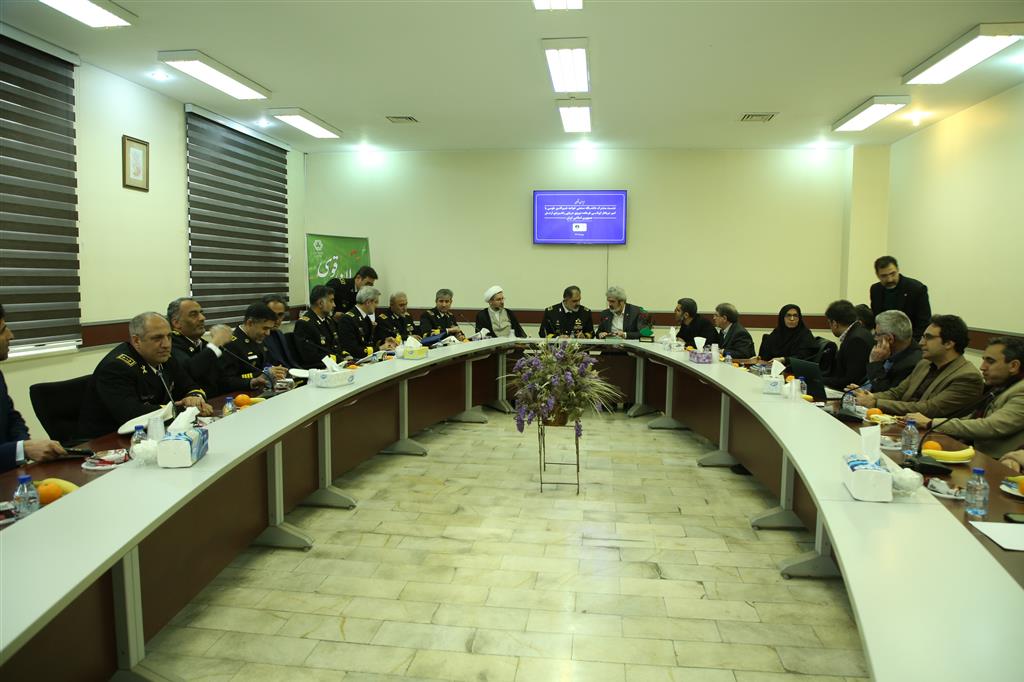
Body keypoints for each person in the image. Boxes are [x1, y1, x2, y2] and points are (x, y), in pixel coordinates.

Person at [79, 312, 212, 439]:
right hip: (106, 440)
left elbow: (190, 385)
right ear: (136, 341)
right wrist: (184, 409)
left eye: (169, 336)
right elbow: (132, 413)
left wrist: (196, 400)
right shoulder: (117, 367)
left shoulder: (165, 358)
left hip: (154, 432)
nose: (166, 344)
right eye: (157, 338)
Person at [904, 336, 1024, 457]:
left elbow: (991, 426)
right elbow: (971, 420)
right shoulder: (1001, 386)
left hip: (996, 462)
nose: (982, 367)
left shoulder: (1020, 390)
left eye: (990, 361)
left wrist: (931, 423)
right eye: (983, 360)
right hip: (975, 453)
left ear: (1013, 366)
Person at [854, 314, 983, 417]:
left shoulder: (967, 377)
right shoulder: (924, 364)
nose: (921, 343)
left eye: (928, 337)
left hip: (936, 436)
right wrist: (866, 396)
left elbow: (929, 408)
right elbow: (897, 393)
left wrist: (876, 402)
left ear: (948, 343)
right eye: (922, 337)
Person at [1, 304, 65, 471]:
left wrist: (23, 445)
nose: (10, 336)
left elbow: (12, 418)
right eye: (2, 331)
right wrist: (21, 450)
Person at [167, 297, 232, 398]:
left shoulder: (203, 345)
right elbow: (190, 371)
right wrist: (215, 343)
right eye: (194, 314)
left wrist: (250, 382)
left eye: (201, 313)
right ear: (176, 323)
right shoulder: (170, 344)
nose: (202, 318)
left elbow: (223, 379)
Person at [846, 310, 921, 393]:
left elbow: (886, 394)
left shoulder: (911, 365)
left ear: (890, 338)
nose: (875, 338)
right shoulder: (888, 351)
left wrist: (875, 364)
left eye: (877, 334)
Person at [219, 304, 289, 393]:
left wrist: (274, 371)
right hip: (240, 394)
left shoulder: (256, 336)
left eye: (269, 329)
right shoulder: (230, 344)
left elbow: (262, 364)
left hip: (261, 390)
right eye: (265, 328)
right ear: (250, 323)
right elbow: (224, 381)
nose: (268, 333)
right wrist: (254, 380)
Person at [869, 256, 931, 342]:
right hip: (884, 340)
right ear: (877, 275)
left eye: (893, 274)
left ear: (898, 270)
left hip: (910, 341)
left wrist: (909, 344)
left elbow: (923, 322)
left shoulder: (916, 289)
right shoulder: (875, 289)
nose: (889, 279)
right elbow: (876, 318)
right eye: (884, 276)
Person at [822, 299, 873, 390]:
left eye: (829, 323)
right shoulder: (859, 332)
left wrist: (820, 380)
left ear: (834, 323)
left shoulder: (856, 340)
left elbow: (851, 380)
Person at [293, 285, 344, 368]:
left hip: (334, 365)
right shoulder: (304, 324)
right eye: (331, 301)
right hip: (319, 369)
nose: (334, 305)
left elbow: (336, 345)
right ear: (320, 303)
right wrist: (338, 360)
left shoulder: (328, 320)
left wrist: (345, 357)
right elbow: (310, 356)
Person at [337, 286, 381, 359]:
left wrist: (382, 343)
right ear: (368, 302)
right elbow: (352, 349)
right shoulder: (347, 319)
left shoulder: (366, 318)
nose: (377, 306)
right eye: (376, 302)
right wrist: (379, 349)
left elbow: (369, 343)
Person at [261, 294, 300, 368]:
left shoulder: (279, 333)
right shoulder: (258, 337)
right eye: (272, 314)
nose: (277, 319)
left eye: (280, 315)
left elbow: (290, 362)